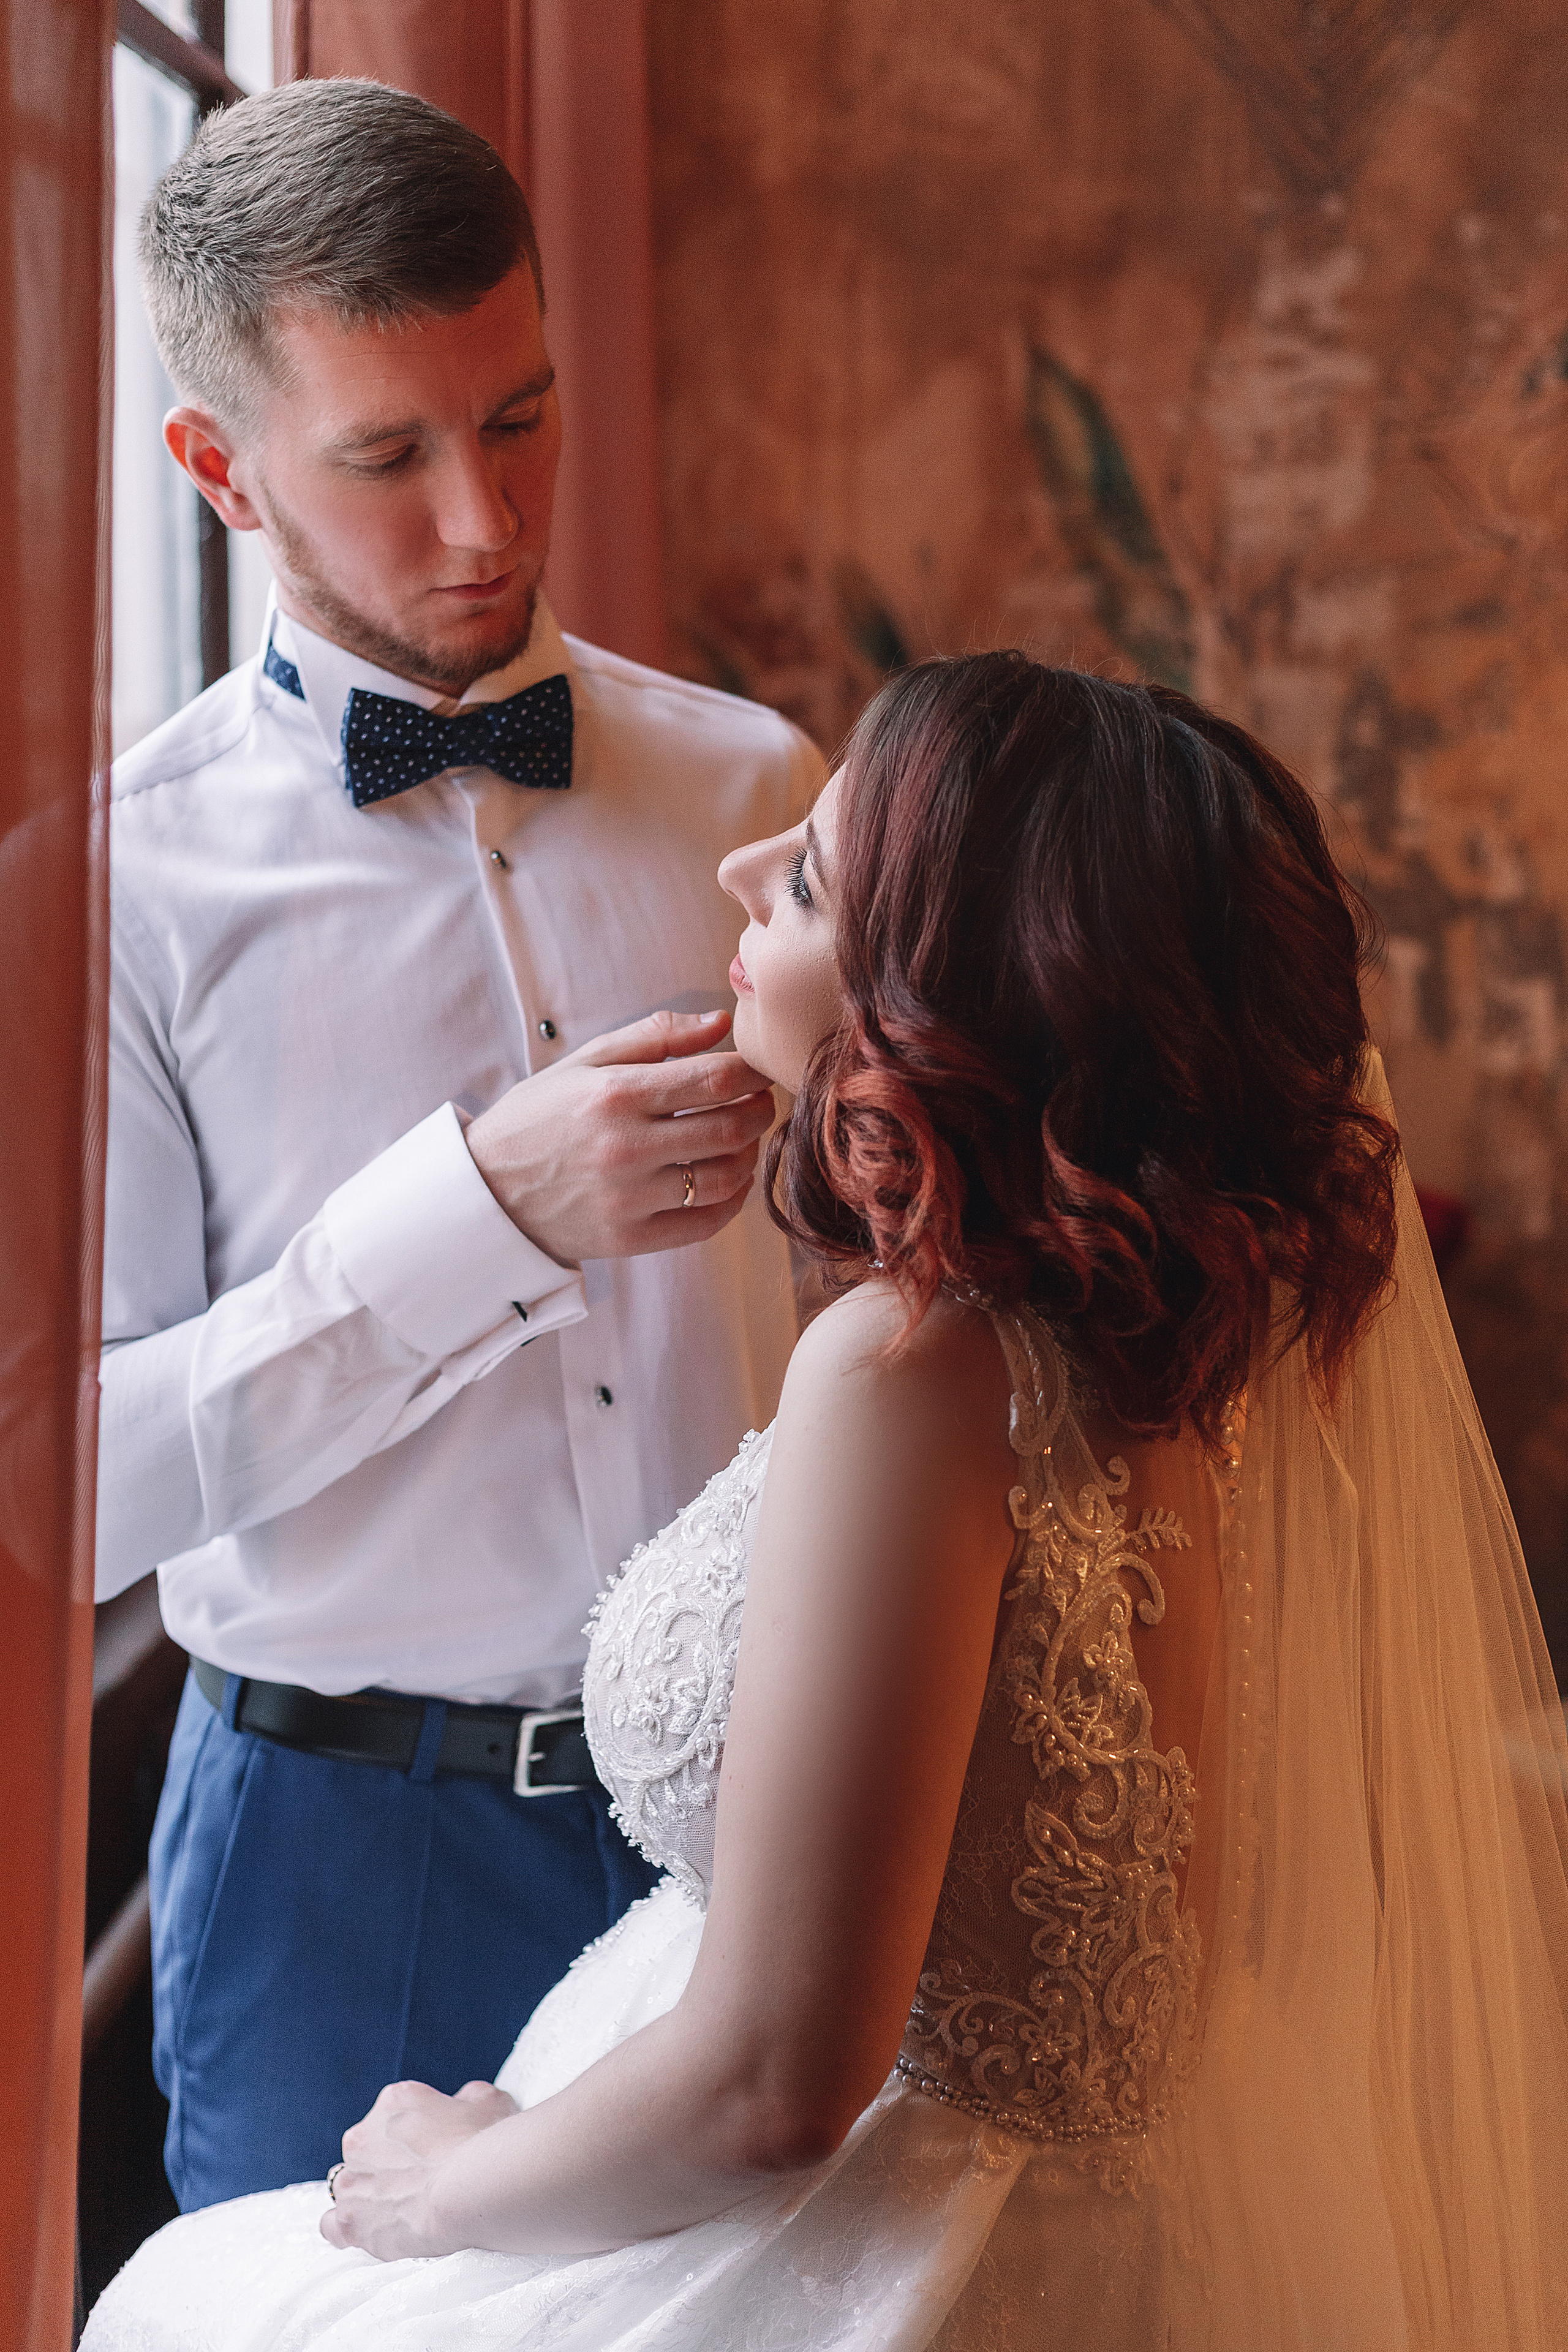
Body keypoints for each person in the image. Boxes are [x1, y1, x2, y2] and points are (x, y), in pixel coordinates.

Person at [87, 654, 1568, 2350]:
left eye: (801, 879)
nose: (736, 869)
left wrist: (448, 2188)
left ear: (953, 996)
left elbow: (780, 2079)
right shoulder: (1153, 1341)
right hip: (412, 1859)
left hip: (888, 2229)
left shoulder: (911, 1369)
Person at [97, 78, 823, 2211]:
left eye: (519, 419)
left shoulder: (759, 791)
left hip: (751, 1815)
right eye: (387, 457)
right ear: (220, 471)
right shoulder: (104, 899)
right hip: (340, 1861)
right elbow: (72, 1489)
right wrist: (480, 1216)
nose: (486, 519)